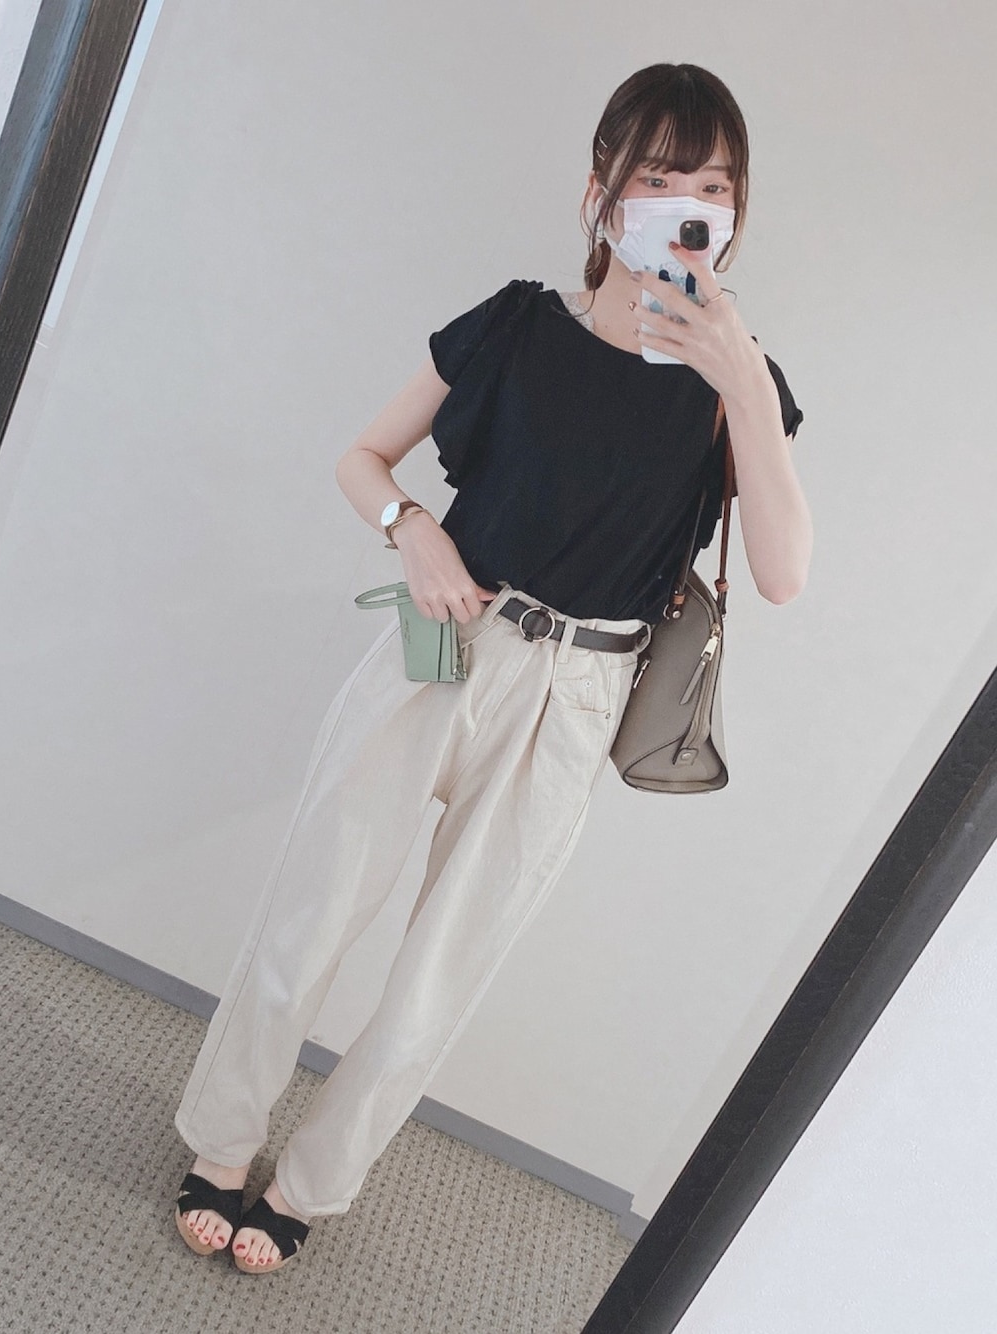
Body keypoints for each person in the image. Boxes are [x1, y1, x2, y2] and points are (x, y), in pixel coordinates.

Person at [171, 61, 812, 1273]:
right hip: (442, 639)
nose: (688, 203)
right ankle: (222, 1142)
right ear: (601, 188)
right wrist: (411, 527)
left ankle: (307, 1184)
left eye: (715, 183)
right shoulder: (519, 323)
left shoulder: (738, 387)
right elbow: (363, 456)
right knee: (312, 912)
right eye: (660, 175)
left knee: (438, 976)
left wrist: (739, 380)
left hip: (577, 692)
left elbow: (781, 572)